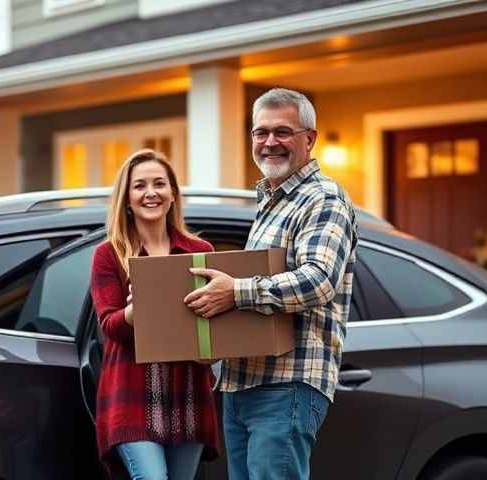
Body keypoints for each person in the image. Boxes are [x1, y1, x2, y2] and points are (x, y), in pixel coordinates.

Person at [184, 88, 358, 480]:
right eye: (260, 133)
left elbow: (318, 280)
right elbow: (253, 305)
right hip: (241, 383)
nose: (270, 143)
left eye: (283, 132)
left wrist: (236, 291)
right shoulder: (270, 202)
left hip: (286, 384)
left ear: (309, 139)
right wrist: (210, 340)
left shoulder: (322, 198)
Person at [89, 149, 220, 480]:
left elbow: (211, 324)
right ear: (127, 199)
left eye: (160, 183)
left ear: (173, 194)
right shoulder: (108, 255)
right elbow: (109, 324)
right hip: (133, 396)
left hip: (188, 394)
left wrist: (214, 342)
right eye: (140, 186)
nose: (151, 193)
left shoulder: (200, 252)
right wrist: (136, 310)